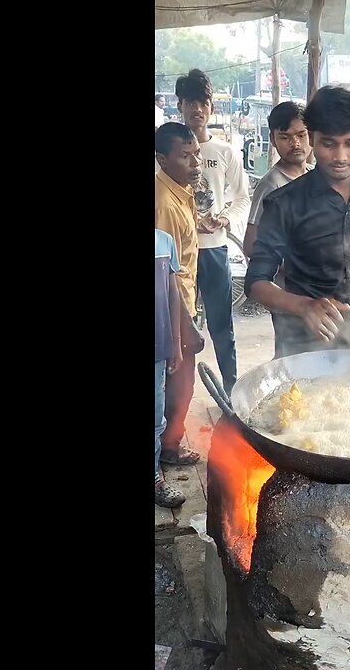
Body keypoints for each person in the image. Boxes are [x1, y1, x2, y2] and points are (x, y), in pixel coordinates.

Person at [246, 86, 350, 357]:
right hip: (301, 346)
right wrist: (304, 306)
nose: (340, 157)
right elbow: (256, 282)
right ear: (312, 139)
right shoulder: (284, 202)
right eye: (328, 144)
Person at [175, 69, 249, 396]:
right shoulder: (164, 154)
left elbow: (243, 196)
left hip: (215, 249)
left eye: (202, 102)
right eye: (190, 102)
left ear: (211, 108)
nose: (197, 109)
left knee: (222, 326)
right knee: (181, 327)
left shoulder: (224, 152)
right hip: (179, 255)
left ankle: (232, 393)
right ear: (180, 106)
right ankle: (178, 398)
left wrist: (226, 219)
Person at [154, 122, 206, 469]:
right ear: (161, 159)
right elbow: (166, 277)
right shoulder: (164, 205)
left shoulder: (179, 190)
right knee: (180, 384)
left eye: (196, 154)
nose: (195, 162)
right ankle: (168, 448)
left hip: (184, 299)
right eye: (185, 156)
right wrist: (184, 328)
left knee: (175, 383)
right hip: (174, 308)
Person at [244, 101, 314, 355]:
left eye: (301, 135)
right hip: (286, 292)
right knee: (289, 354)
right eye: (285, 137)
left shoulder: (314, 177)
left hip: (313, 288)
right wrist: (296, 264)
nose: (295, 143)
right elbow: (251, 243)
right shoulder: (271, 185)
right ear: (273, 141)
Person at [154, 227, 201, 508]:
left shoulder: (164, 241)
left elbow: (173, 292)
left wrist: (176, 341)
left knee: (156, 415)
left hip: (158, 345)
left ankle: (155, 479)